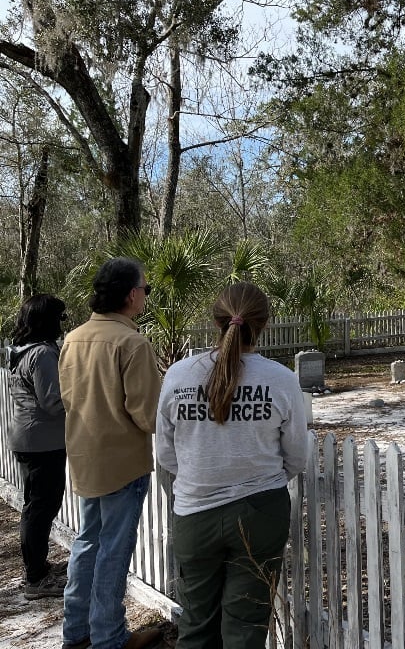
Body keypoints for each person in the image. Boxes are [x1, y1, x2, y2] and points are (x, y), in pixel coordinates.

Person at [156, 282, 309, 649]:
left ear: (216, 322)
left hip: (194, 513)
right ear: (264, 324)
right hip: (260, 513)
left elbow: (165, 452)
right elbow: (296, 455)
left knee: (196, 624)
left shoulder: (179, 375)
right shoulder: (280, 379)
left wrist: (200, 475)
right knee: (245, 628)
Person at [59, 258, 164, 649]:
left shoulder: (73, 339)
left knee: (87, 543)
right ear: (132, 295)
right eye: (145, 289)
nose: (145, 296)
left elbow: (68, 398)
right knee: (114, 552)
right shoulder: (132, 343)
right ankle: (109, 638)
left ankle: (77, 632)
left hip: (85, 459)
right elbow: (147, 415)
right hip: (122, 464)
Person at [5, 293, 69, 599]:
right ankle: (35, 578)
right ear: (48, 320)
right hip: (42, 442)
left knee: (36, 506)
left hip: (29, 437)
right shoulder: (42, 353)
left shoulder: (21, 350)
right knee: (41, 508)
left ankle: (37, 567)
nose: (62, 323)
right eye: (60, 317)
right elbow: (53, 402)